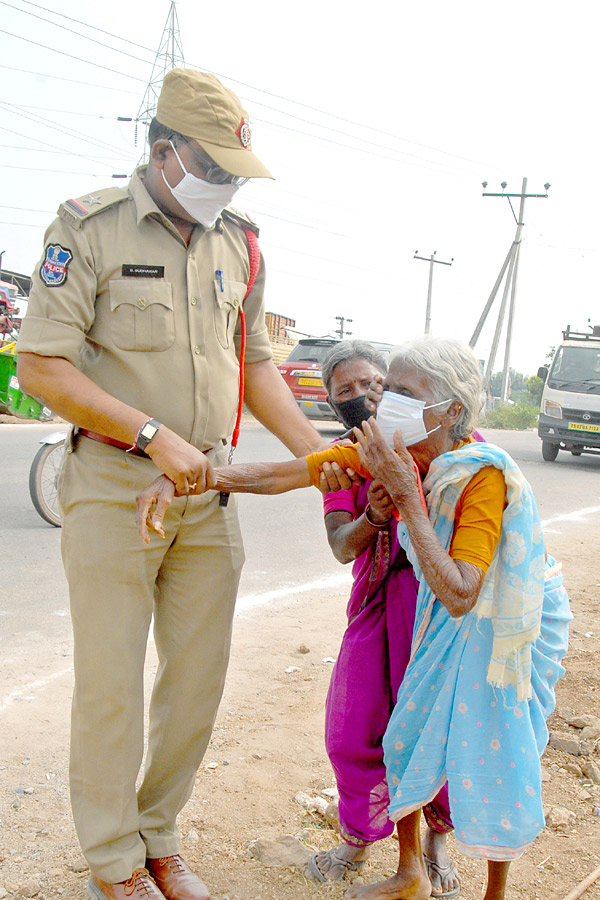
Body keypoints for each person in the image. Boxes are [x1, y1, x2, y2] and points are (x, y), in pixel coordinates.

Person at [16, 68, 326, 900]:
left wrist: (326, 460)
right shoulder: (89, 229)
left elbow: (256, 364)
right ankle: (113, 858)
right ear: (164, 152)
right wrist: (152, 437)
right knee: (112, 686)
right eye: (214, 169)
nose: (225, 186)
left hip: (208, 494)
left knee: (196, 680)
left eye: (236, 173)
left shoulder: (241, 243)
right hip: (116, 487)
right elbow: (40, 364)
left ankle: (159, 834)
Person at [137, 337, 570, 900]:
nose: (382, 402)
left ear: (451, 411)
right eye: (386, 389)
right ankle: (410, 872)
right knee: (406, 734)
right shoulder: (382, 448)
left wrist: (405, 493)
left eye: (401, 393)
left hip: (495, 626)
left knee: (491, 748)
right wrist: (189, 478)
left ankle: (494, 890)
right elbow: (280, 475)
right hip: (421, 616)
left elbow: (462, 592)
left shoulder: (479, 472)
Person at [307, 341, 458, 896]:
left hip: (438, 608)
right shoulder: (340, 462)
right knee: (354, 728)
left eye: (373, 384)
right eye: (345, 391)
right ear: (331, 403)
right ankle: (358, 837)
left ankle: (436, 843)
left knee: (437, 728)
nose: (362, 397)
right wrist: (374, 513)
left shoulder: (442, 444)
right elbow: (342, 545)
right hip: (376, 607)